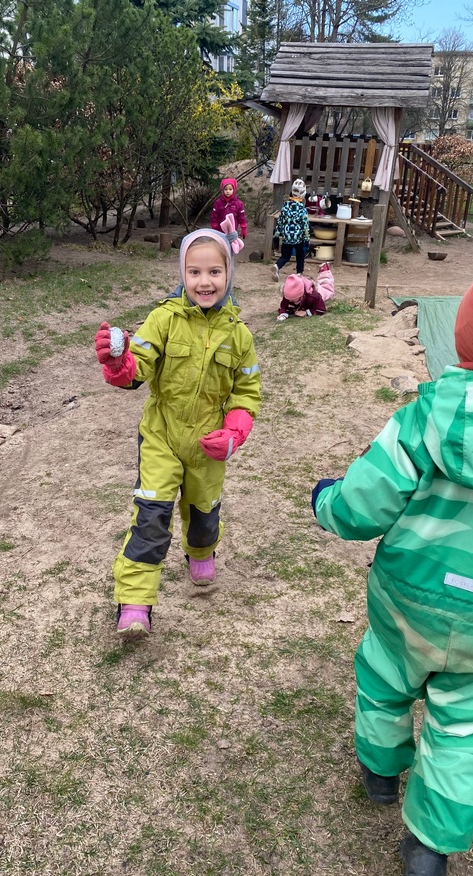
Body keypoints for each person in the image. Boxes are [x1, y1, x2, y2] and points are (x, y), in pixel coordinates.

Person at [311, 257, 473, 876]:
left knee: (385, 673)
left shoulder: (423, 416)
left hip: (408, 589)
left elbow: (364, 504)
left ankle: (380, 770)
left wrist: (327, 501)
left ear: (463, 334)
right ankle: (430, 850)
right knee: (466, 722)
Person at [94, 221, 261, 641]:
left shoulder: (239, 335)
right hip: (162, 437)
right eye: (194, 271)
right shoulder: (163, 319)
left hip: (208, 446)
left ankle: (201, 551)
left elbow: (247, 392)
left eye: (214, 272)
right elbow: (138, 366)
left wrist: (234, 432)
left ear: (229, 274)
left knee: (204, 513)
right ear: (182, 274)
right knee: (151, 517)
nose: (205, 282)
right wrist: (118, 364)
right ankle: (135, 604)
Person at [272, 178, 310, 281]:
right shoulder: (302, 210)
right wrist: (307, 240)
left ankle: (277, 266)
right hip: (298, 237)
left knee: (285, 256)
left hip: (286, 237)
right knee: (300, 256)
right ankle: (299, 273)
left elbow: (280, 222)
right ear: (303, 194)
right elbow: (305, 226)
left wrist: (276, 236)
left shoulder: (285, 207)